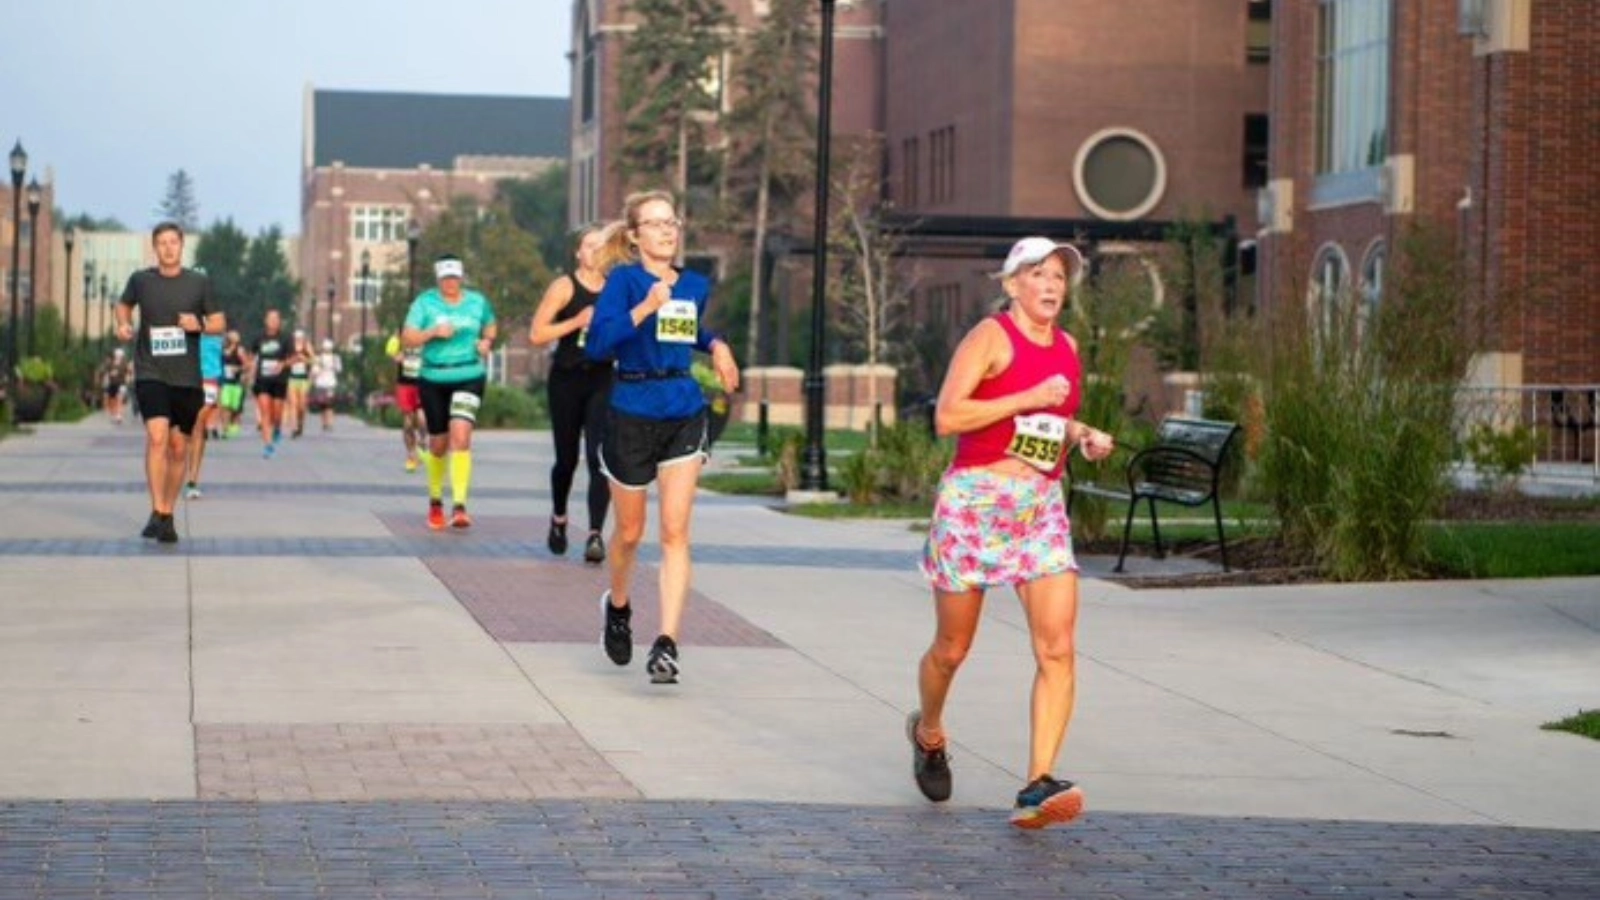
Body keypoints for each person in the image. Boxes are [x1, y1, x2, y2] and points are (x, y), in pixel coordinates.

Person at [908, 236, 1115, 829]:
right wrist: (1028, 396)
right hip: (977, 502)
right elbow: (948, 416)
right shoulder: (989, 336)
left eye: (1059, 275)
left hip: (1039, 507)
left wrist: (1081, 435)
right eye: (1039, 274)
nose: (1052, 285)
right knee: (952, 650)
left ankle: (1036, 785)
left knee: (1058, 647)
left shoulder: (1069, 345)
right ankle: (928, 732)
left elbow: (1052, 417)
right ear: (1012, 284)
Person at [584, 190, 739, 685]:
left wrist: (716, 344)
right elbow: (599, 344)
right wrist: (645, 307)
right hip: (630, 410)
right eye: (655, 224)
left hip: (682, 410)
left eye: (672, 222)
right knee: (629, 533)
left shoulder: (693, 284)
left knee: (675, 532)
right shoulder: (623, 281)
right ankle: (619, 605)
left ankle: (667, 643)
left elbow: (685, 330)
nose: (667, 231)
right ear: (635, 236)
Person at [114, 221, 225, 545]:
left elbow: (219, 321)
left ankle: (168, 513)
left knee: (179, 449)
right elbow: (123, 305)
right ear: (154, 247)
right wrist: (122, 324)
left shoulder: (199, 283)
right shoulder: (141, 281)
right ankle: (156, 509)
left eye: (173, 242)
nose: (167, 248)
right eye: (161, 242)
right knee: (157, 436)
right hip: (151, 371)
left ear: (181, 245)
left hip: (187, 378)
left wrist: (199, 323)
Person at [529, 223, 614, 564]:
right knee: (566, 460)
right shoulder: (564, 286)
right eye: (588, 246)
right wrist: (576, 321)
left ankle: (595, 534)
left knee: (599, 459)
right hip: (566, 379)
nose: (594, 251)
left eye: (600, 245)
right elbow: (537, 333)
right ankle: (559, 517)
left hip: (603, 378)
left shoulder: (615, 290)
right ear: (578, 252)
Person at [401, 255, 498, 530]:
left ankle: (459, 506)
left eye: (455, 278)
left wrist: (487, 341)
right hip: (433, 377)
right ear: (438, 279)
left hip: (469, 375)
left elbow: (490, 323)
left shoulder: (477, 302)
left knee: (461, 435)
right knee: (439, 443)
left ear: (461, 277)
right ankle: (435, 501)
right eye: (445, 279)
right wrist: (431, 332)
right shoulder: (424, 303)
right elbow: (408, 337)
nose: (450, 283)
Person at [184, 330, 225, 499]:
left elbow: (220, 360)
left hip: (209, 378)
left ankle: (192, 480)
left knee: (198, 425)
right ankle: (179, 471)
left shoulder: (216, 331)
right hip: (185, 379)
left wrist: (220, 386)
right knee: (184, 432)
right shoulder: (184, 325)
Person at [384, 331, 427, 471]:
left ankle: (422, 443)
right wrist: (395, 356)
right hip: (405, 383)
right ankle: (411, 455)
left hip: (423, 382)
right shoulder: (403, 331)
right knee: (408, 422)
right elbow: (390, 348)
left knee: (421, 417)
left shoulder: (428, 328)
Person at [251, 310, 290, 458]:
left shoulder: (285, 338)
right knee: (265, 414)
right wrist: (251, 372)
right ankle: (268, 446)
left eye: (276, 318)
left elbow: (294, 358)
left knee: (276, 415)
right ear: (265, 321)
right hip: (262, 380)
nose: (273, 321)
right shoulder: (258, 338)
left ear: (280, 321)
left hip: (279, 380)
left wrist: (283, 364)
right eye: (271, 318)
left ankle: (278, 428)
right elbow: (252, 356)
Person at [218, 330, 248, 437]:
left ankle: (232, 425)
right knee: (225, 405)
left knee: (234, 407)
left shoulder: (240, 350)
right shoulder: (222, 350)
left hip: (236, 382)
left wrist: (238, 369)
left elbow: (246, 365)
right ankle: (225, 429)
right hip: (224, 382)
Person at [285, 329, 313, 438]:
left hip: (303, 379)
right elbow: (285, 363)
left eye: (300, 338)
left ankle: (300, 423)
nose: (298, 340)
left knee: (301, 406)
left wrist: (304, 359)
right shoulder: (289, 348)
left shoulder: (307, 346)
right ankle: (294, 427)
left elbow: (314, 361)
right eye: (296, 338)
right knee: (293, 404)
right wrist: (293, 360)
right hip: (292, 379)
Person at [310, 338, 342, 432]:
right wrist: (315, 375)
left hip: (330, 383)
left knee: (330, 404)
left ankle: (330, 423)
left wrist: (333, 366)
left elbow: (339, 369)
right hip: (320, 383)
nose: (327, 349)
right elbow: (314, 371)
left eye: (328, 348)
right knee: (322, 404)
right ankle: (324, 423)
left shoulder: (335, 358)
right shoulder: (318, 358)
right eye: (326, 348)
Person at [100, 348, 131, 424]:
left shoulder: (124, 364)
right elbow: (105, 372)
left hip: (121, 384)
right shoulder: (110, 363)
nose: (118, 356)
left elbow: (129, 372)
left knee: (119, 399)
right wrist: (107, 376)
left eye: (120, 355)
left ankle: (119, 415)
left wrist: (128, 378)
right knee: (112, 400)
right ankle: (114, 413)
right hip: (112, 384)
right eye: (117, 355)